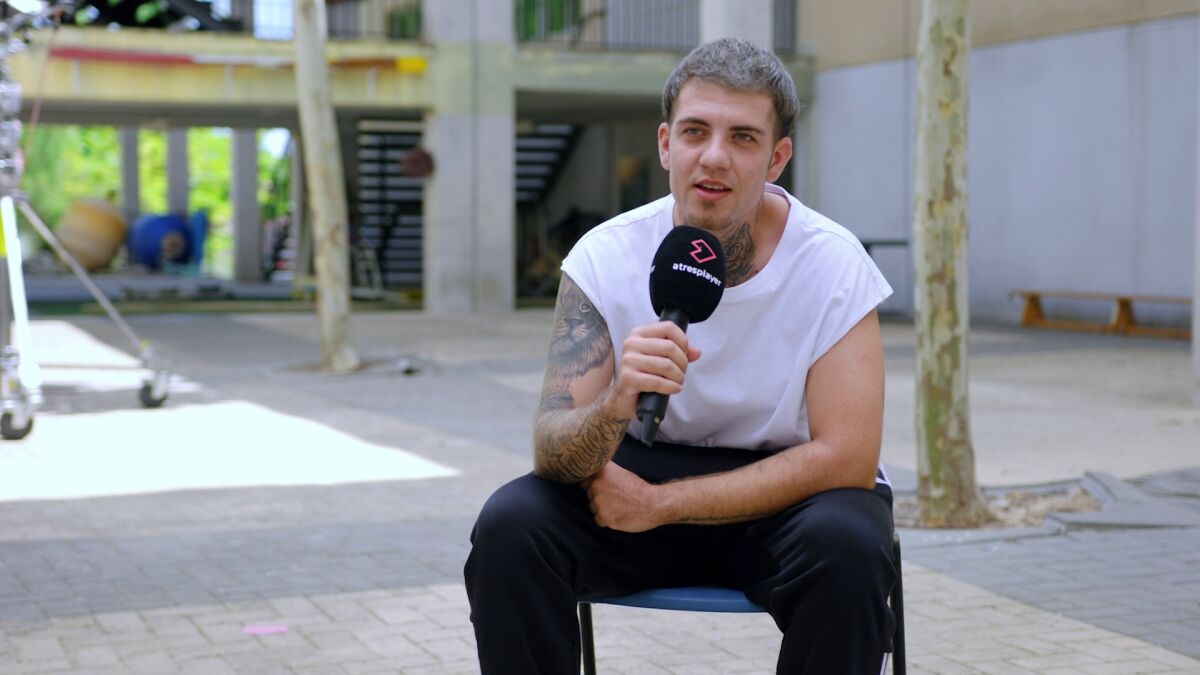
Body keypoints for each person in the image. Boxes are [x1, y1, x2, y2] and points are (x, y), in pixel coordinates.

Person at [465, 37, 897, 674]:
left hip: (790, 495)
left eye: (743, 138)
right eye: (696, 132)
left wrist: (662, 505)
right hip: (636, 472)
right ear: (666, 144)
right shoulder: (604, 255)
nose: (714, 157)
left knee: (850, 548)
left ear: (777, 159)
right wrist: (616, 404)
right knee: (511, 526)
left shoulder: (832, 263)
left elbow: (848, 458)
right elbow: (552, 448)